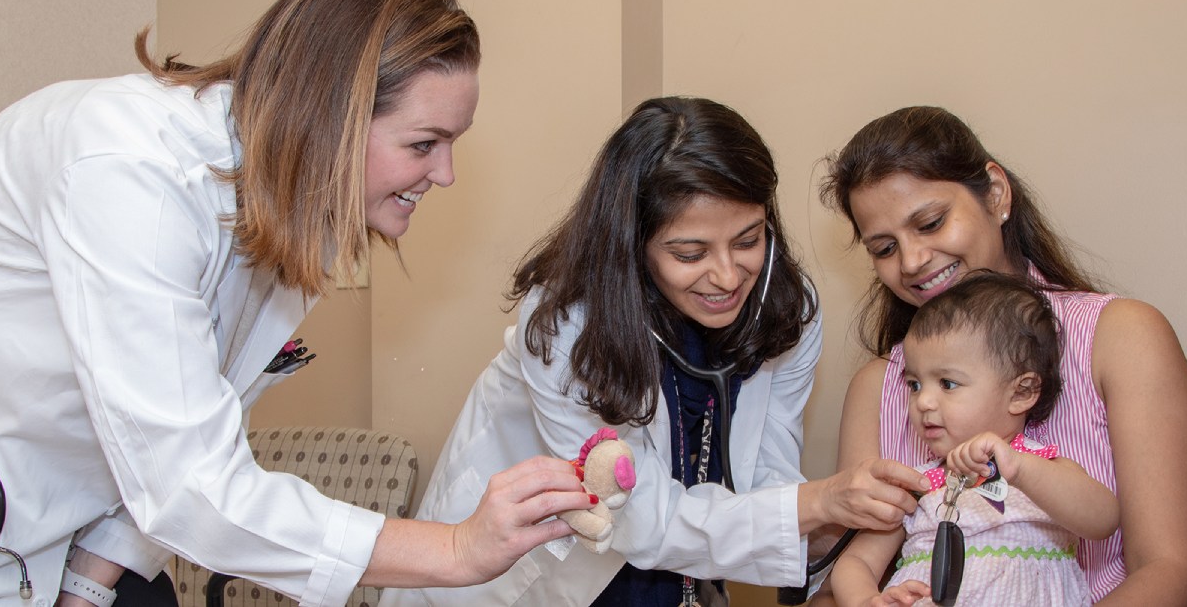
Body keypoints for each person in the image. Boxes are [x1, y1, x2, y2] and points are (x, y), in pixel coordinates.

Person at [0, 0, 592, 607]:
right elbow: (187, 481)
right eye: (424, 144)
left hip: (46, 493)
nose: (443, 177)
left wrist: (89, 590)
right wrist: (451, 549)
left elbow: (175, 428)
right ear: (330, 121)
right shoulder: (125, 167)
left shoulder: (284, 225)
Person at [382, 97, 929, 606]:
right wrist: (816, 504)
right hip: (542, 573)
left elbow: (765, 472)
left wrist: (827, 523)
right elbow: (637, 515)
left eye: (748, 239)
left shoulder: (784, 309)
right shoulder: (569, 327)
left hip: (684, 571)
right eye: (689, 253)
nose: (727, 275)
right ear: (633, 243)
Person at [817, 106, 1187, 605]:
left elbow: (1170, 571)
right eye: (885, 248)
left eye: (931, 223)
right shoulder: (879, 386)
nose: (912, 262)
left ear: (996, 194)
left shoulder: (1120, 337)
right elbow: (848, 577)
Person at [827, 273, 1117, 607]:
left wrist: (1020, 468)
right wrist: (865, 599)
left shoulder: (1044, 470)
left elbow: (1103, 519)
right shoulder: (919, 486)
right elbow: (855, 562)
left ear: (1021, 392)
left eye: (947, 384)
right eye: (915, 385)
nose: (923, 402)